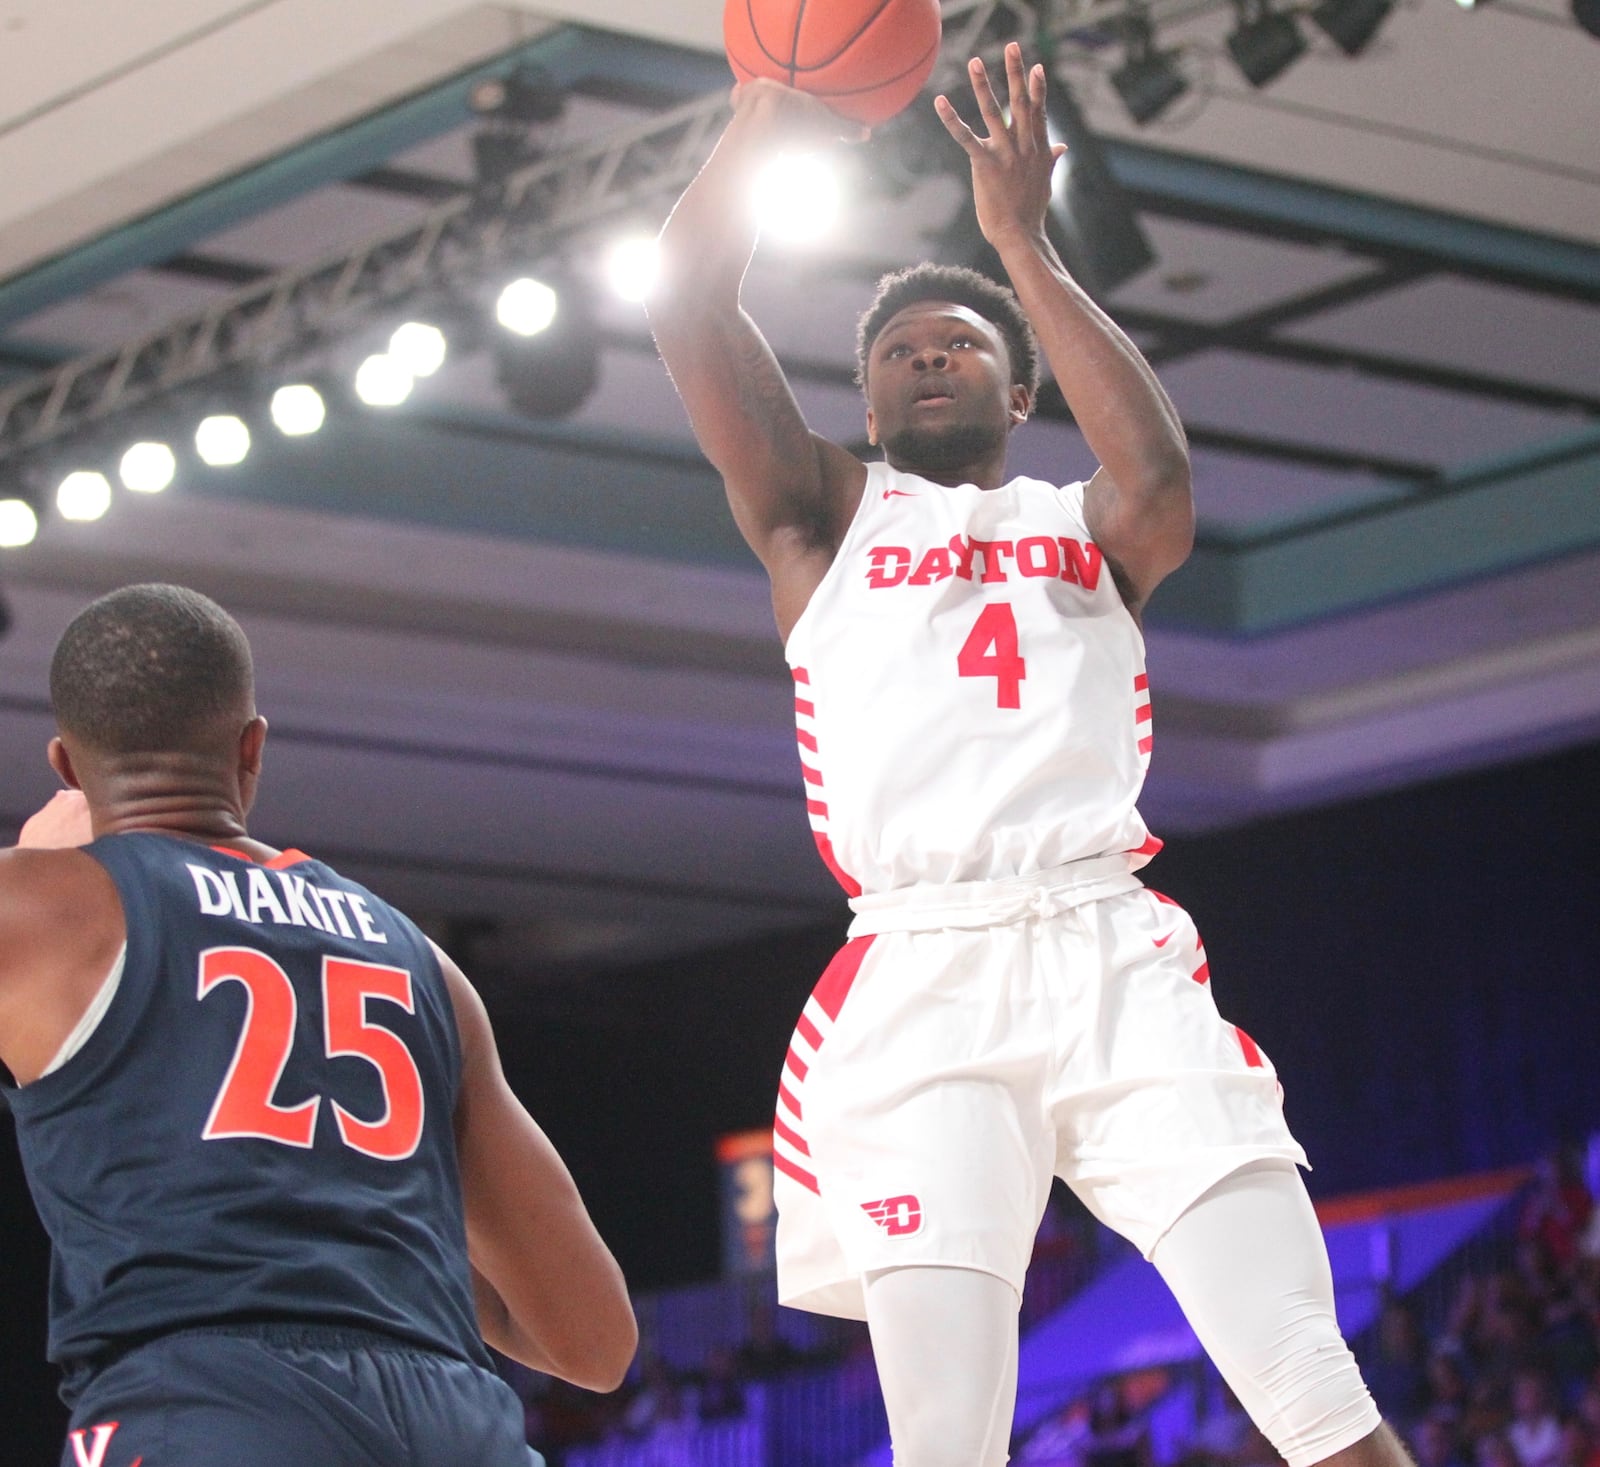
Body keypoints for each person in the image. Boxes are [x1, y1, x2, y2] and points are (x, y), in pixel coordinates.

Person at [648, 40, 1408, 1467]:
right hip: (921, 973)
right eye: (897, 351)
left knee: (1306, 1372)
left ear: (1020, 397)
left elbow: (1166, 482)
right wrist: (765, 113)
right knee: (947, 1438)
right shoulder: (822, 515)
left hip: (1110, 948)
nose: (928, 351)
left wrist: (1019, 243)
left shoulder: (1092, 522)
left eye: (962, 343)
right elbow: (687, 304)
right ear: (868, 410)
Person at [0, 583, 637, 1466]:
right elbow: (592, 1341)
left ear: (67, 766)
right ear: (252, 748)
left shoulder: (34, 901)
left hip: (211, 1407)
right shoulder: (420, 960)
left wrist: (37, 861)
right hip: (454, 1420)